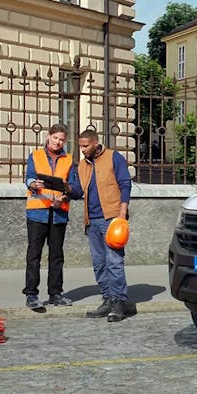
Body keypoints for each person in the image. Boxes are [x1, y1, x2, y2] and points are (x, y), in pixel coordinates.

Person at [24, 123, 81, 311]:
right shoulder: (35, 156)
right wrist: (34, 184)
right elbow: (29, 177)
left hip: (58, 213)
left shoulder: (69, 159)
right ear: (48, 137)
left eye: (62, 139)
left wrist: (64, 195)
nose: (58, 142)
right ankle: (31, 294)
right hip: (37, 210)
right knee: (34, 254)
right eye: (55, 138)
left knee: (56, 256)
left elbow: (74, 187)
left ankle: (55, 293)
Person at [77, 129, 132, 322]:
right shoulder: (83, 165)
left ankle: (118, 302)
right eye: (80, 146)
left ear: (95, 143)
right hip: (91, 220)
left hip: (112, 218)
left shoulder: (113, 157)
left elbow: (125, 184)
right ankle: (107, 298)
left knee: (114, 262)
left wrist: (122, 214)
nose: (82, 150)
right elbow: (77, 190)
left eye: (85, 146)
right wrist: (64, 190)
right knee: (99, 263)